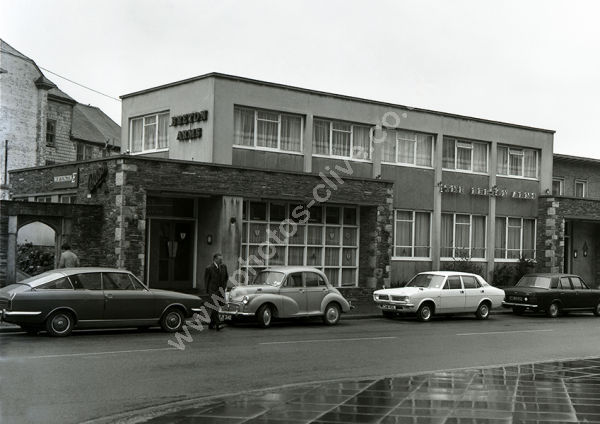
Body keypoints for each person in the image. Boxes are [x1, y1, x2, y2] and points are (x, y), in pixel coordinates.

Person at [204, 253, 228, 331]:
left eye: (222, 259)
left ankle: (211, 324)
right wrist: (207, 291)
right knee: (215, 307)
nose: (221, 260)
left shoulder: (224, 267)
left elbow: (226, 277)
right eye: (220, 259)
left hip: (220, 290)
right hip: (212, 290)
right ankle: (218, 324)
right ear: (215, 259)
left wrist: (224, 287)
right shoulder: (209, 268)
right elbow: (206, 280)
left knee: (216, 307)